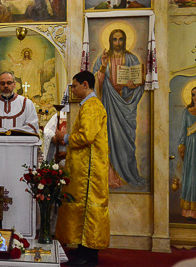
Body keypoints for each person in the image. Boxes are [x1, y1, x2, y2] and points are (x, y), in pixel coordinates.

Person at [55, 71, 109, 266]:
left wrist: (65, 138)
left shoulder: (92, 106)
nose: (74, 89)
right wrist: (66, 153)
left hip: (90, 171)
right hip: (85, 166)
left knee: (88, 208)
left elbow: (86, 137)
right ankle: (81, 250)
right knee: (80, 207)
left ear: (85, 85)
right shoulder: (88, 105)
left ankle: (88, 256)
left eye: (75, 85)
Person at [93, 28, 144, 189]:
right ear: (110, 41)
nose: (117, 43)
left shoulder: (132, 58)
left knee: (127, 143)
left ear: (125, 40)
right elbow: (95, 85)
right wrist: (102, 67)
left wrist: (133, 85)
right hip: (108, 105)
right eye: (114, 39)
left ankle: (129, 174)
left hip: (126, 106)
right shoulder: (103, 58)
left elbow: (140, 82)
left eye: (120, 39)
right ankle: (110, 177)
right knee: (108, 139)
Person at [178, 87, 196, 220]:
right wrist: (182, 146)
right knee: (191, 176)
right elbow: (183, 132)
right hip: (191, 148)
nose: (195, 97)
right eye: (193, 95)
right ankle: (189, 211)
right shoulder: (187, 112)